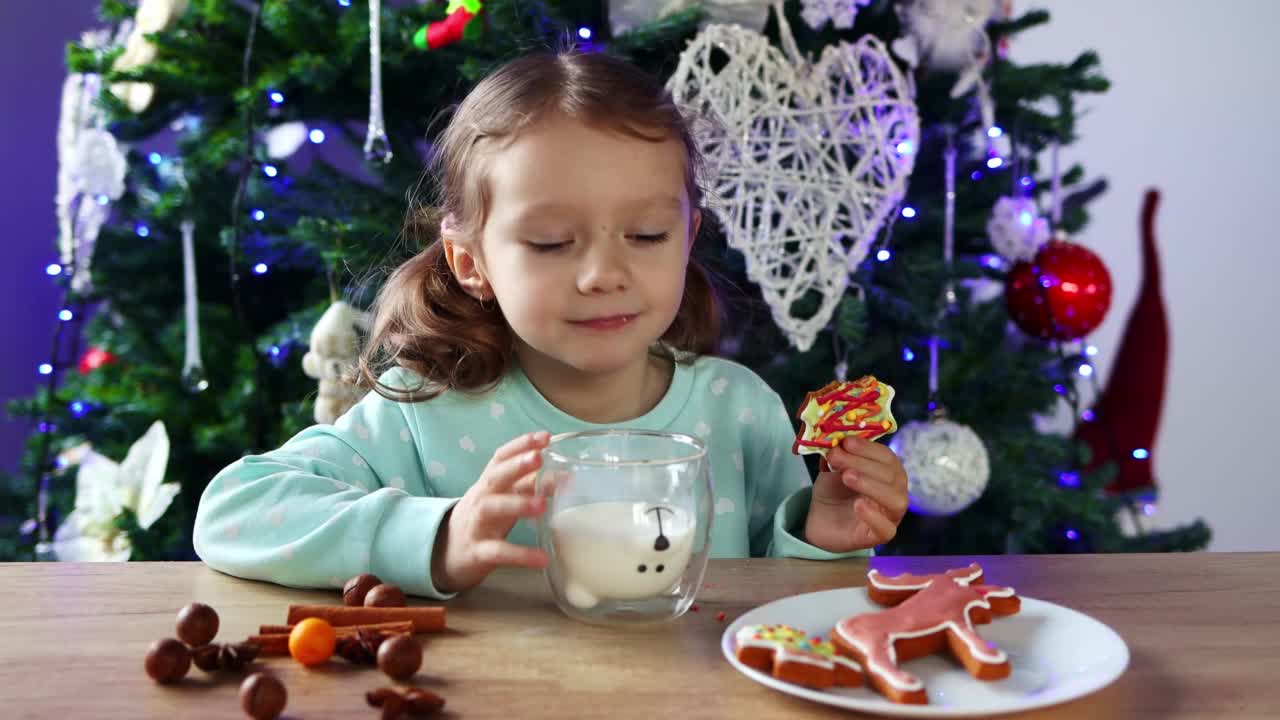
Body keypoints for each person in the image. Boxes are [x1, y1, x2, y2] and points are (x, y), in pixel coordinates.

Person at [193, 50, 909, 599]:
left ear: (689, 235)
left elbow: (777, 612)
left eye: (648, 235)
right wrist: (439, 537)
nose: (603, 274)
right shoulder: (421, 412)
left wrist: (823, 537)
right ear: (471, 262)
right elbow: (234, 512)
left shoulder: (740, 410)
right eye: (551, 244)